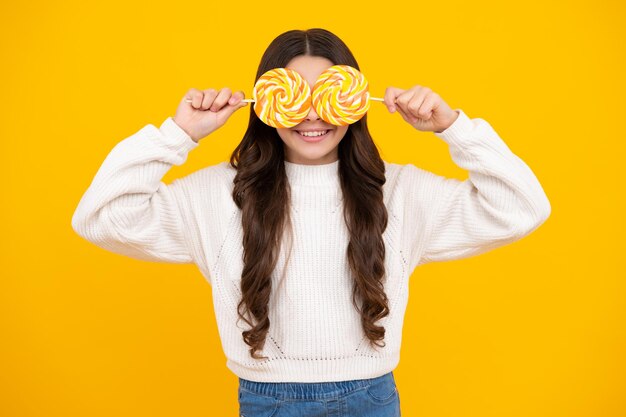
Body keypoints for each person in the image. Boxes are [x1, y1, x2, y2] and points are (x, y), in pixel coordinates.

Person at [71, 28, 551, 417]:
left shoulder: (400, 193)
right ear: (266, 102)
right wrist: (176, 136)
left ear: (354, 100)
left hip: (372, 400)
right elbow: (100, 217)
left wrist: (454, 128)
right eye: (294, 97)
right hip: (267, 402)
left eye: (328, 94)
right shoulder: (219, 194)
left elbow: (523, 206)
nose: (312, 115)